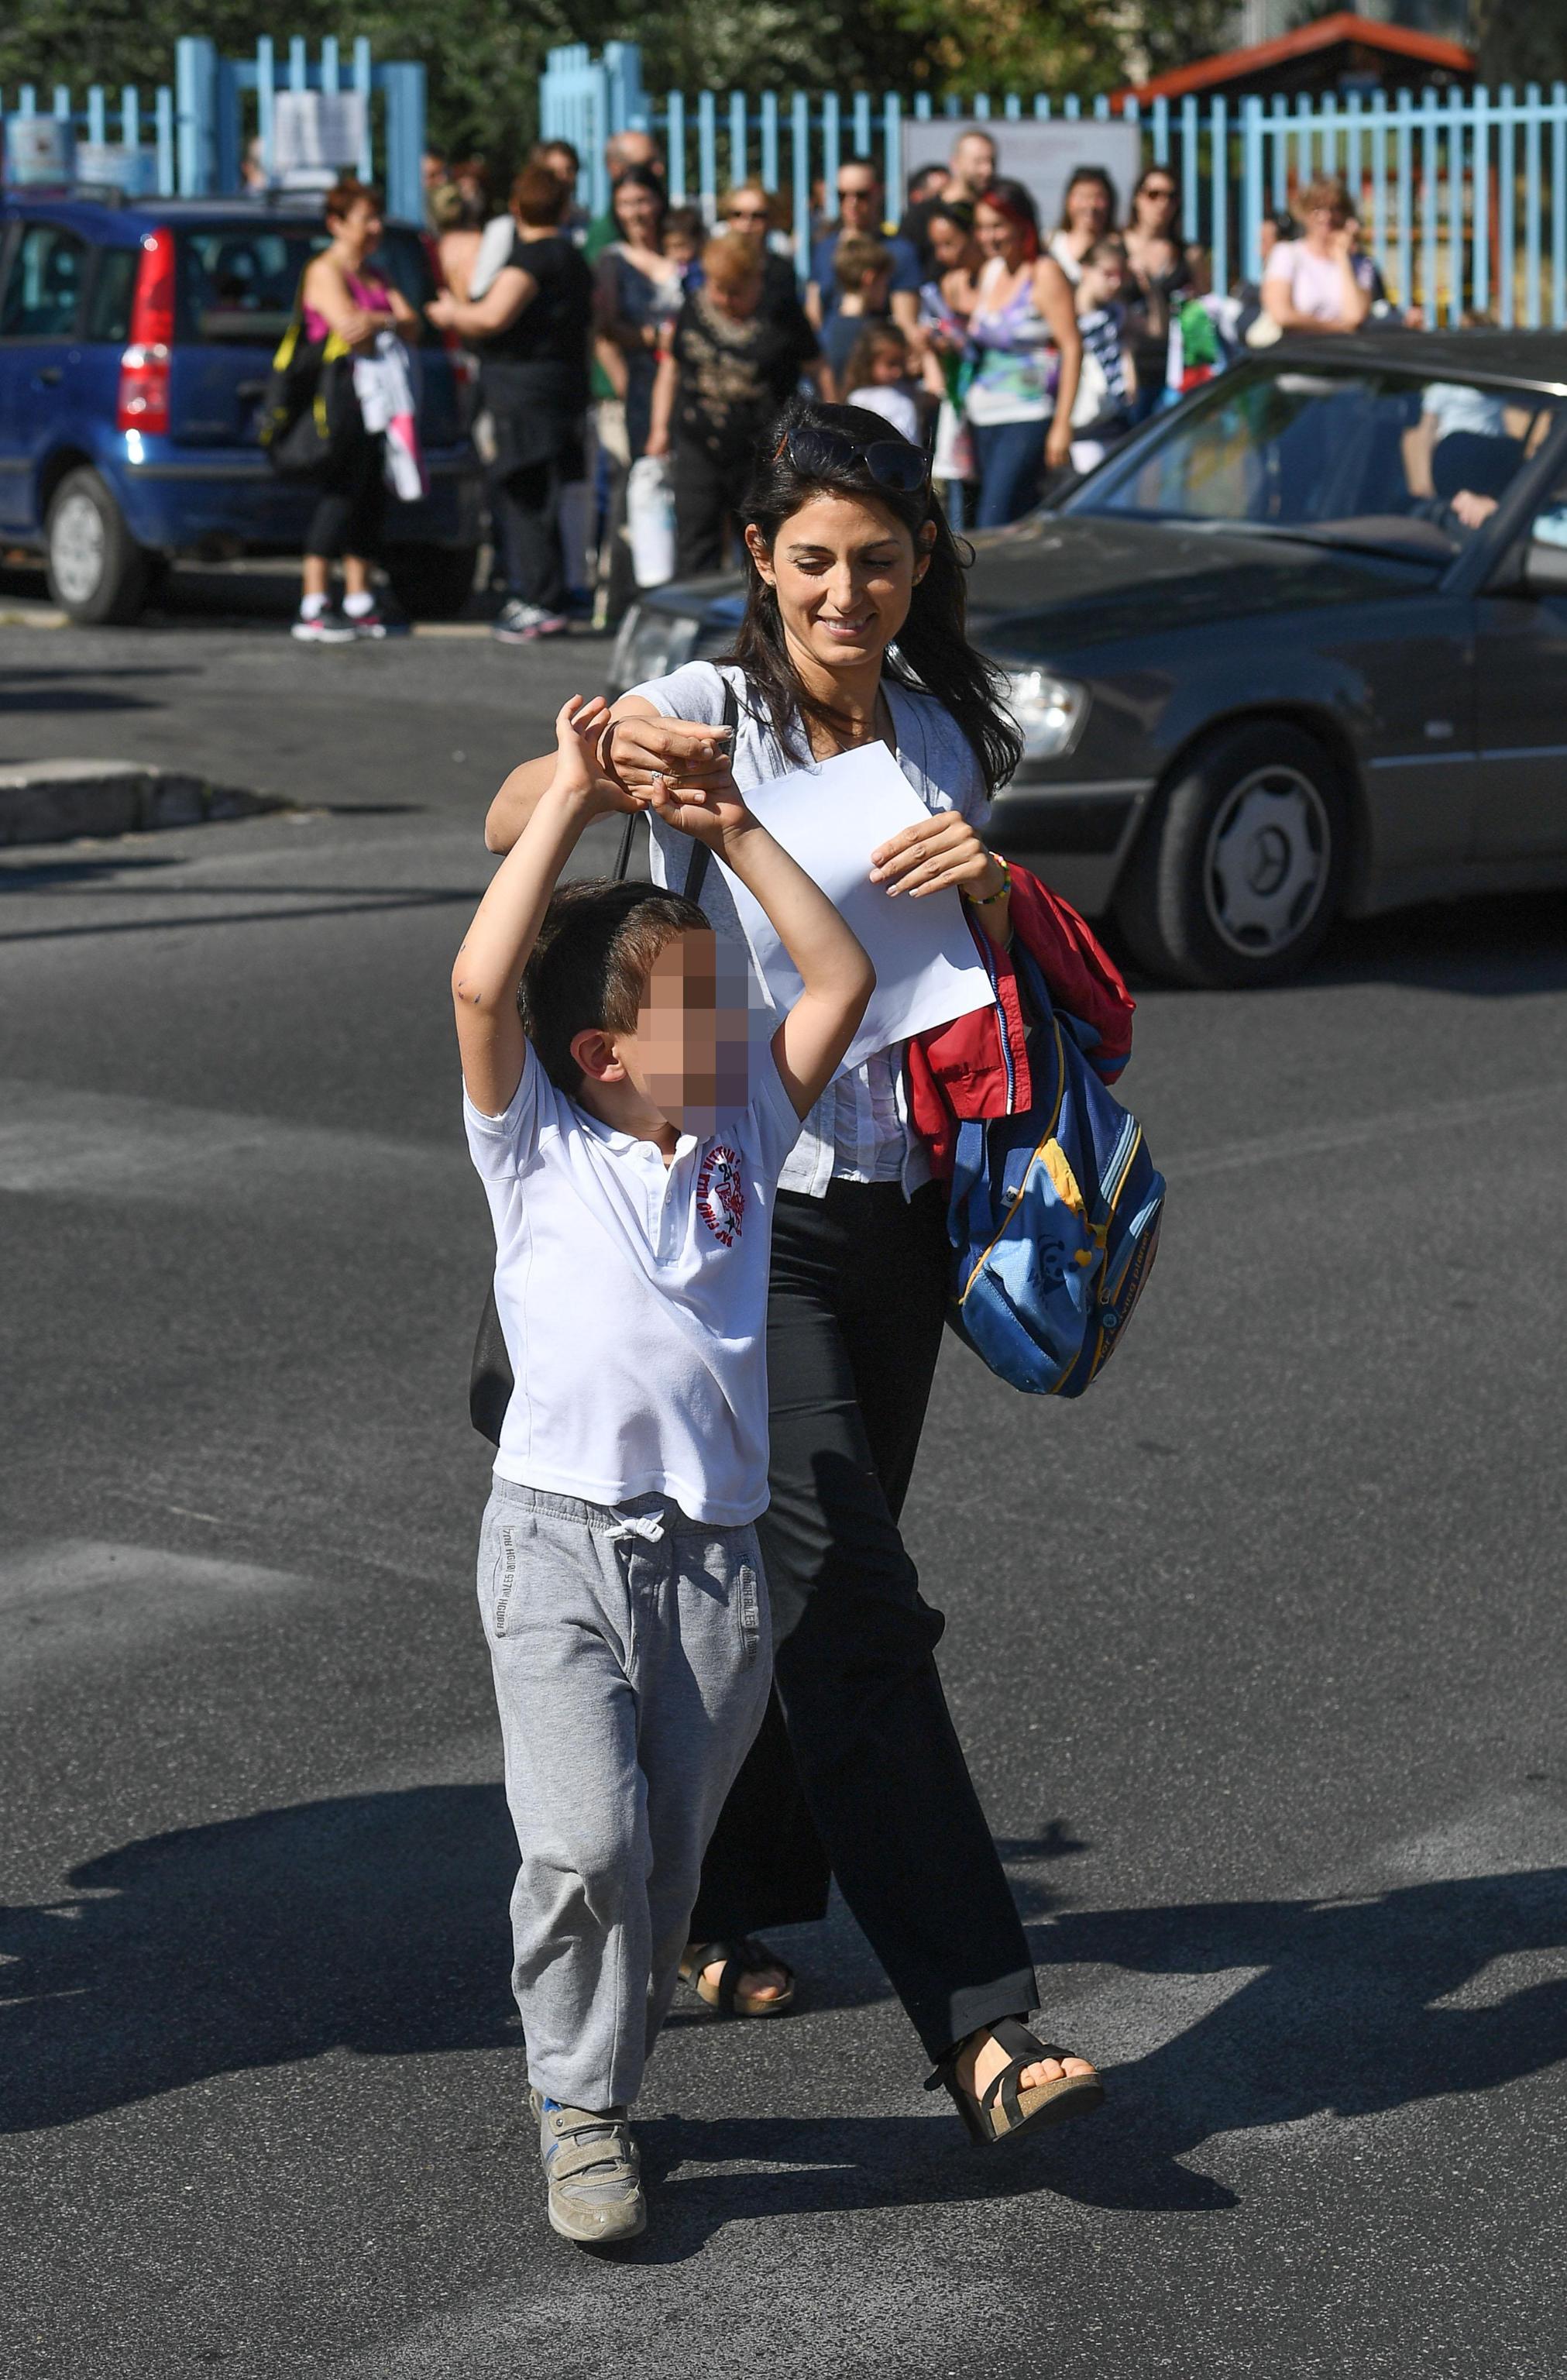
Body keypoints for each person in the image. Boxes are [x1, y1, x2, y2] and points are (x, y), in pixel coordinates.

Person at [483, 398, 1108, 2150]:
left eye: (881, 560)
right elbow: (510, 805)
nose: (849, 590)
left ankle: (713, 1904)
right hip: (758, 1222)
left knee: (804, 1584)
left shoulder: (935, 723)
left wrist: (991, 885)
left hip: (908, 1215)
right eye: (815, 559)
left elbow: (966, 972)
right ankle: (985, 2018)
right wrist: (623, 764)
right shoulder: (711, 699)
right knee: (858, 1612)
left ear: (921, 565)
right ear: (760, 557)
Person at [458, 691, 873, 2248]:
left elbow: (832, 968)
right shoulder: (533, 1151)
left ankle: (612, 2059)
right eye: (701, 1007)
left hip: (713, 1564)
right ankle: (581, 2109)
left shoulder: (741, 1140)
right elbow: (477, 981)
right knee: (580, 1844)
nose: (740, 1025)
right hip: (556, 1543)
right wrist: (567, 796)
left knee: (665, 1869)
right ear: (603, 1052)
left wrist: (732, 832)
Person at [428, 162, 593, 644]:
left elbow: (492, 316)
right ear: (563, 208)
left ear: (517, 207)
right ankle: (547, 594)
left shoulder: (533, 259)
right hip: (558, 390)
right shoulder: (573, 258)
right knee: (542, 494)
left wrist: (451, 312)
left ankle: (539, 599)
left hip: (524, 395)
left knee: (523, 493)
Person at [646, 233, 823, 577]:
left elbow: (818, 368)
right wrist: (658, 430)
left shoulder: (782, 313)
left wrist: (830, 420)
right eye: (719, 288)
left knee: (760, 540)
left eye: (736, 291)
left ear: (757, 279)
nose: (726, 300)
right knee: (696, 539)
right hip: (698, 442)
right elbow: (671, 367)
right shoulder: (694, 309)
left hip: (761, 449)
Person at [292, 177, 420, 645]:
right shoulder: (324, 270)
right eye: (365, 218)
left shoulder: (376, 274)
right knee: (339, 493)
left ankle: (360, 597)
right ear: (337, 224)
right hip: (340, 397)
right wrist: (388, 321)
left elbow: (411, 322)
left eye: (377, 216)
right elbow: (351, 330)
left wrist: (382, 319)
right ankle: (314, 600)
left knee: (370, 494)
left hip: (379, 403)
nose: (375, 227)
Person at [965, 178, 1081, 525]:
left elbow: (1072, 346)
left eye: (998, 226)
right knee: (1000, 519)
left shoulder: (1044, 273)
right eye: (982, 227)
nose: (989, 236)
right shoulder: (991, 271)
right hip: (983, 417)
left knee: (993, 519)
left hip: (1027, 414)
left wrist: (1062, 424)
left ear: (1022, 224)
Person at [593, 165, 680, 463]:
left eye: (642, 201)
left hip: (687, 382)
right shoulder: (612, 260)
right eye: (625, 204)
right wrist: (656, 339)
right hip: (640, 382)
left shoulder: (683, 253)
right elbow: (606, 328)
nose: (636, 212)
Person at [1122, 166, 1207, 418]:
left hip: (1173, 371)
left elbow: (1204, 310)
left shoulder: (1189, 255)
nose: (1162, 204)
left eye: (1171, 196)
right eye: (1153, 195)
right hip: (1127, 371)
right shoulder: (1116, 247)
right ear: (1138, 198)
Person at [806, 158, 921, 344]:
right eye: (842, 195)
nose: (851, 202)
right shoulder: (824, 248)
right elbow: (814, 314)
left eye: (861, 195)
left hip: (874, 357)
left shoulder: (900, 251)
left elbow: (905, 321)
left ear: (878, 193)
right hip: (830, 355)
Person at [1262, 177, 1375, 334]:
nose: (1326, 216)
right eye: (1317, 209)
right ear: (1303, 213)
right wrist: (1337, 328)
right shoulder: (1286, 254)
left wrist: (1342, 256)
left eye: (1335, 209)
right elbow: (1282, 315)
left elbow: (1355, 316)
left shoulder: (1361, 263)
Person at [1070, 236, 1136, 472]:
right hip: (1082, 424)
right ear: (1086, 270)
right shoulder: (1068, 314)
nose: (1116, 283)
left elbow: (1125, 348)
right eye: (1108, 274)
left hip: (1115, 418)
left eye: (1120, 275)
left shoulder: (1116, 312)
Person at [899, 129, 998, 273]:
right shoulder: (921, 215)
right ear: (955, 163)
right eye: (979, 162)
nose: (988, 170)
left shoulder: (996, 212)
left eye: (992, 162)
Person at [820, 235, 894, 394]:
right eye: (885, 282)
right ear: (870, 278)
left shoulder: (827, 327)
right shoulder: (871, 331)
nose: (886, 290)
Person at [586, 129, 665, 260]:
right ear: (615, 169)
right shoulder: (605, 235)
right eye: (647, 164)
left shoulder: (674, 226)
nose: (659, 170)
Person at [842, 321, 919, 440]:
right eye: (891, 364)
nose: (898, 371)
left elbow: (936, 391)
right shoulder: (857, 399)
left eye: (901, 363)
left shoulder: (907, 390)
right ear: (868, 361)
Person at [1049, 165, 1119, 284]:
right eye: (1083, 196)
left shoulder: (1119, 247)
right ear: (1068, 200)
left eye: (1098, 197)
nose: (1091, 205)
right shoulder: (1050, 244)